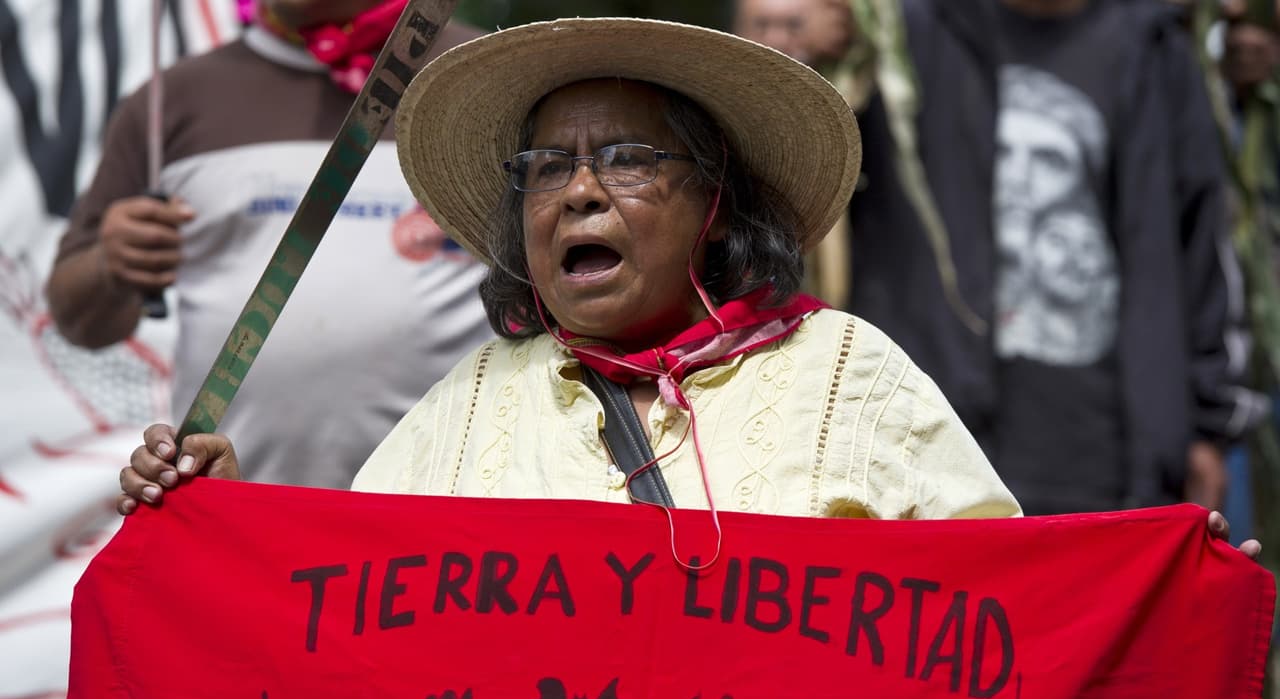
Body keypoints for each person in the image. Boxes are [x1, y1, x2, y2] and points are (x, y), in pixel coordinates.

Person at [113, 17, 1259, 556]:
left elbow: (1002, 625)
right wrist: (219, 520)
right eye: (545, 169)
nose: (576, 193)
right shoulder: (461, 408)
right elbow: (343, 616)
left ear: (714, 202)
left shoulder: (849, 380)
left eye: (623, 158)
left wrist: (1159, 574)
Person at [45, 0, 493, 490]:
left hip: (449, 511)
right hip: (235, 515)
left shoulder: (488, 72)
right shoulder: (170, 101)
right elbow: (78, 320)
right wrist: (112, 264)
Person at [846, 0, 1267, 516]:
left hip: (1108, 465)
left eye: (1046, 161)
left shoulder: (1153, 47)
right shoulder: (893, 36)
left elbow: (1202, 243)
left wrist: (1207, 428)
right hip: (927, 460)